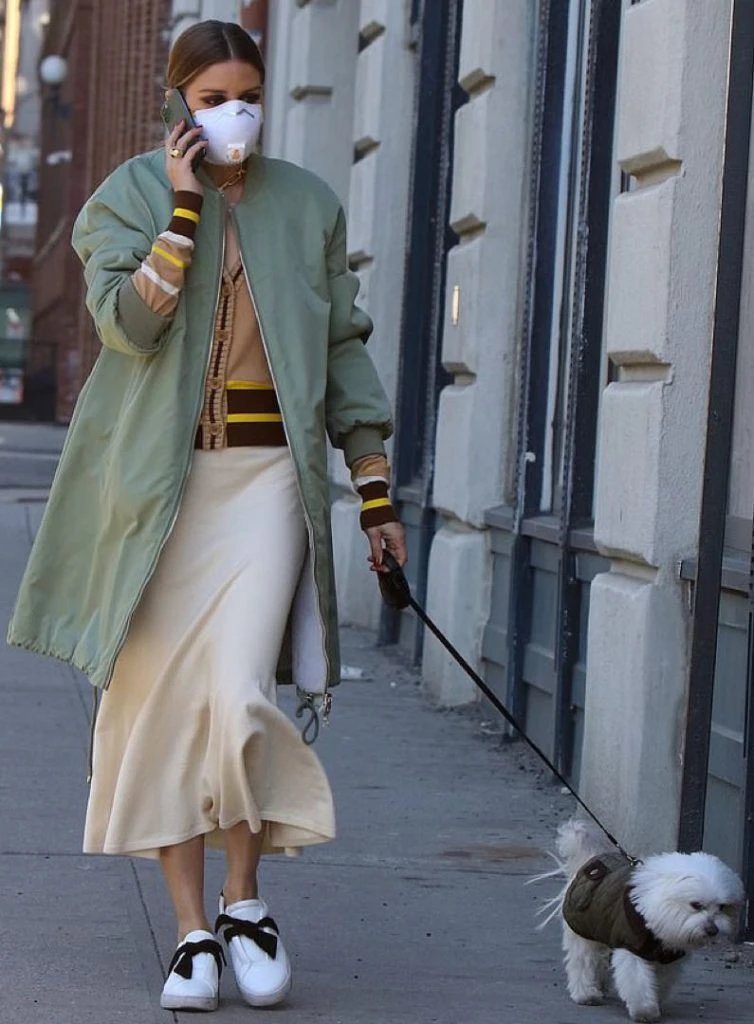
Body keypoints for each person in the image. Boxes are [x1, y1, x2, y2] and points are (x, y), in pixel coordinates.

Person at [7, 20, 406, 1014]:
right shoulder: (126, 197)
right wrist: (184, 212)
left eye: (250, 95)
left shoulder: (306, 204)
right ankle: (191, 931)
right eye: (215, 97)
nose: (237, 113)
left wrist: (373, 488)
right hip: (157, 489)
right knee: (162, 712)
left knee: (237, 695)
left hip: (267, 482)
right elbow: (129, 326)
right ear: (177, 101)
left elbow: (344, 348)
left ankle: (245, 903)